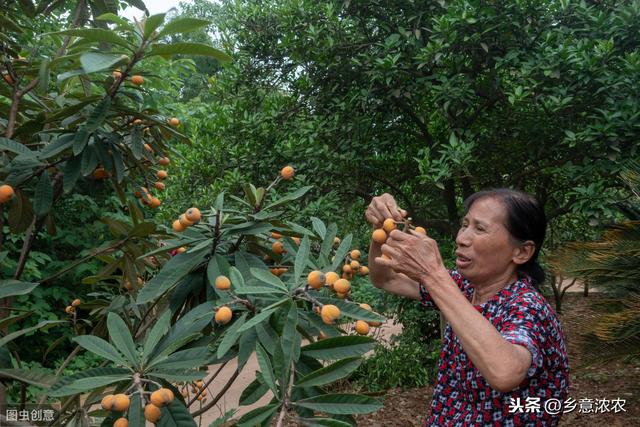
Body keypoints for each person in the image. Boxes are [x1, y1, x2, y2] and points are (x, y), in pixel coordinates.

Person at [366, 189, 570, 426]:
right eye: (465, 225)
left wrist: (433, 275)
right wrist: (382, 230)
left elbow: (505, 372)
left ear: (522, 252)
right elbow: (386, 279)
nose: (461, 238)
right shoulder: (464, 286)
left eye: (480, 229)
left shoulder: (526, 306)